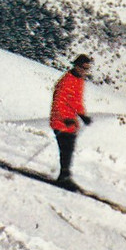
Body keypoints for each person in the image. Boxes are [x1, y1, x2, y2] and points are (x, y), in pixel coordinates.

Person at [49, 54, 94, 190]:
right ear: (76, 66)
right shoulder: (66, 81)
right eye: (83, 68)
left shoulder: (79, 80)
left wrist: (82, 115)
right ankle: (64, 177)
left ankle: (65, 175)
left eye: (87, 69)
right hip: (60, 120)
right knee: (66, 148)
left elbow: (75, 100)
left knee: (69, 149)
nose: (84, 71)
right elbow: (58, 102)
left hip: (70, 122)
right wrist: (64, 118)